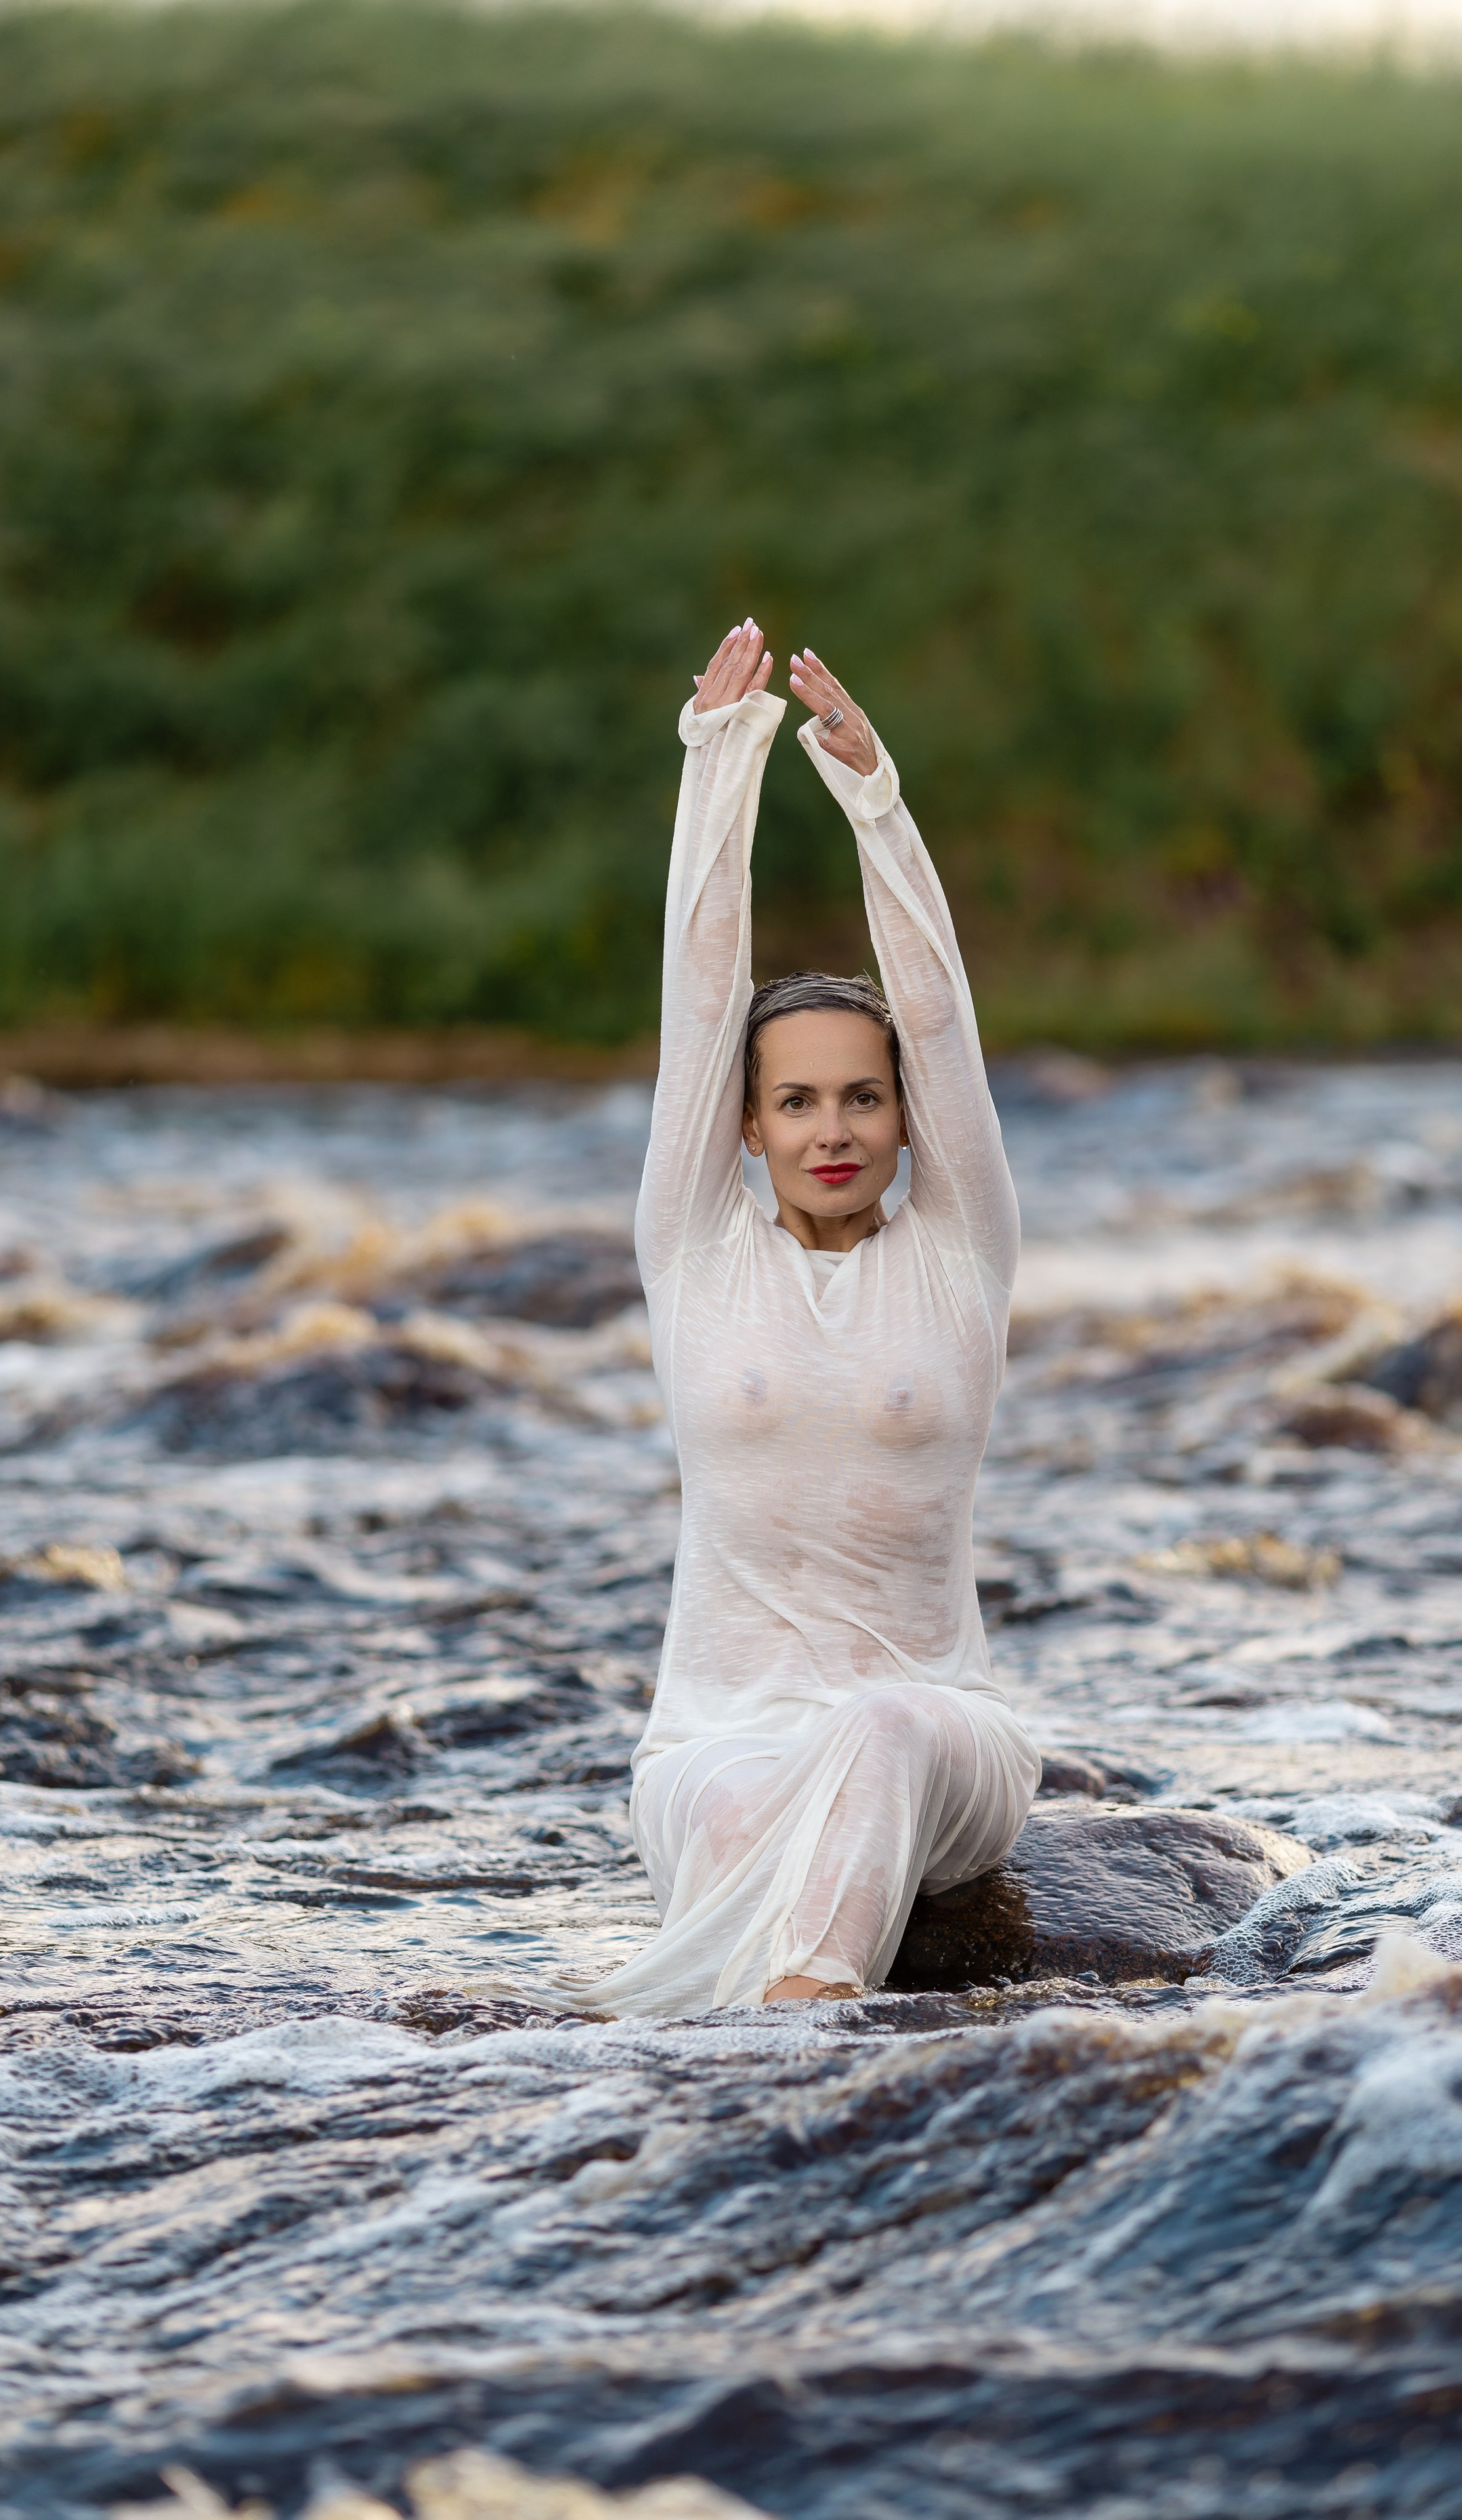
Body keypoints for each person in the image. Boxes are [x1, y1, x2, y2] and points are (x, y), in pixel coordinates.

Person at [568, 615, 1040, 2018]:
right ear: (747, 1126)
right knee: (730, 1824)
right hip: (716, 1738)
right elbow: (699, 1003)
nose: (829, 1128)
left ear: (901, 1123)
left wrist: (873, 804)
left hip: (939, 1730)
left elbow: (940, 1019)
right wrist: (718, 770)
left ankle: (799, 2053)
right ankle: (773, 2078)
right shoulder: (693, 1250)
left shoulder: (960, 1254)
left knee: (879, 1727)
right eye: (792, 1100)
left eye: (860, 1097)